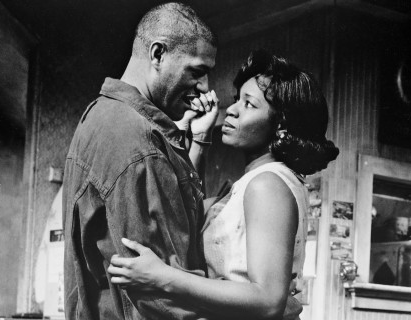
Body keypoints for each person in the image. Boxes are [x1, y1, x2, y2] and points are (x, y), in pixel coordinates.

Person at [107, 50, 340, 319]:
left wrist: (162, 277)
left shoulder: (267, 184)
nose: (231, 110)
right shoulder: (261, 180)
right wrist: (202, 137)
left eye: (249, 104)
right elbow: (185, 211)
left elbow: (268, 300)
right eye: (236, 99)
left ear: (281, 126)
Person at [63, 2, 220, 319]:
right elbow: (161, 301)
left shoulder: (100, 115)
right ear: (158, 54)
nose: (204, 86)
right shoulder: (136, 141)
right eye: (197, 71)